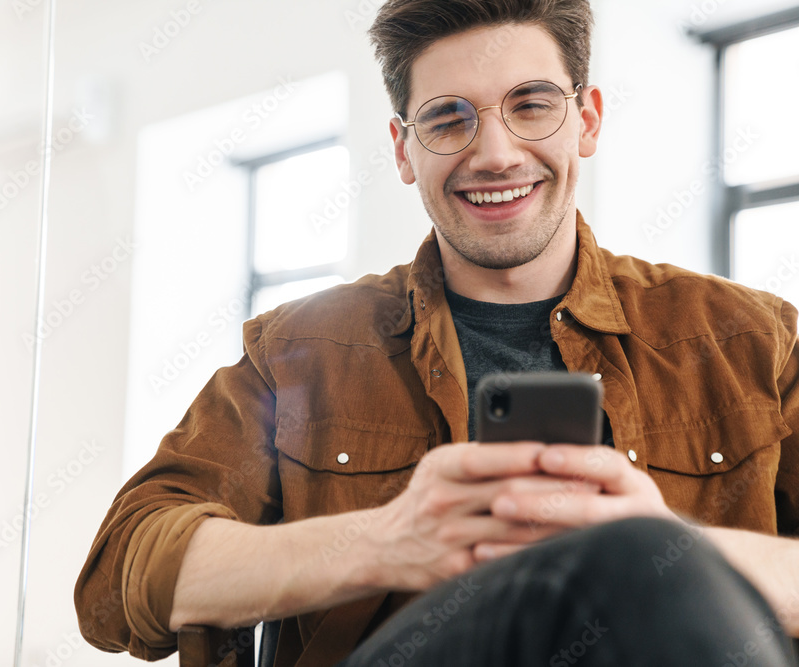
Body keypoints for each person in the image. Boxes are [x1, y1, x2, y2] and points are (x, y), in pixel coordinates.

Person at [75, 1, 799, 665]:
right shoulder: (299, 354)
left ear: (587, 120)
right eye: (449, 118)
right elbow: (116, 581)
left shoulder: (754, 341)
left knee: (627, 554)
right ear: (401, 148)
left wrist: (668, 550)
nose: (495, 154)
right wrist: (389, 541)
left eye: (532, 106)